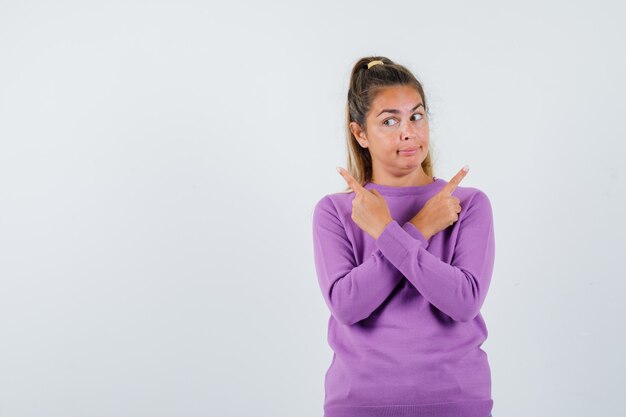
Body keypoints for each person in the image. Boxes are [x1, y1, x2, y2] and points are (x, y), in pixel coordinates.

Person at [311, 56, 496, 417]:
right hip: (360, 405)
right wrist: (418, 228)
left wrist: (389, 233)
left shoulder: (467, 204)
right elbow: (348, 307)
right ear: (360, 133)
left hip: (457, 403)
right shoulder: (334, 211)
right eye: (389, 121)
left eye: (416, 116)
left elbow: (464, 302)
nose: (408, 132)